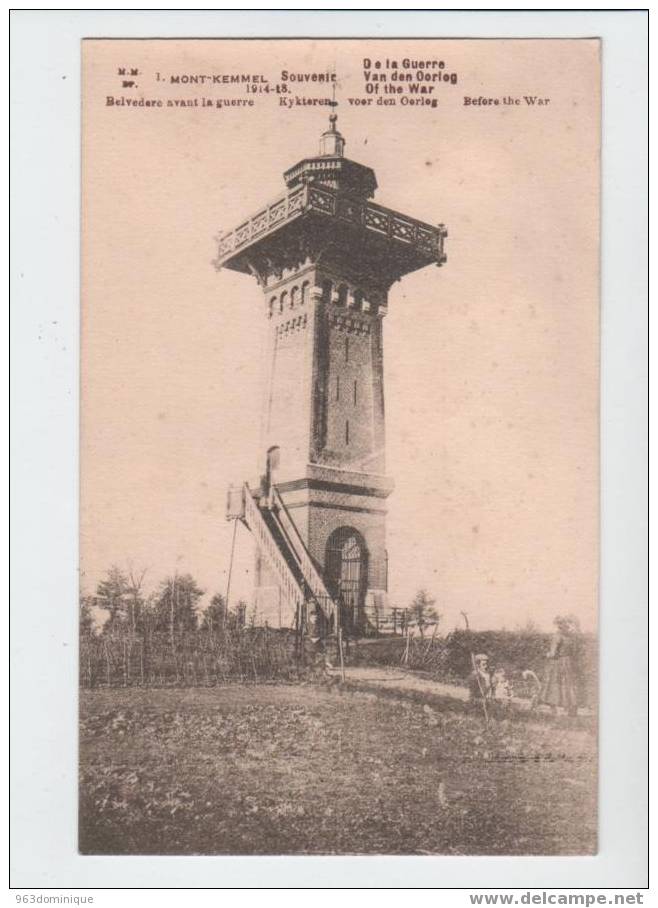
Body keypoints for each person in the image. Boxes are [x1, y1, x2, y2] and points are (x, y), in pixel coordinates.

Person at [540, 615, 579, 716]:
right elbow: (574, 652)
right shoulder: (571, 637)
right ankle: (571, 708)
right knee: (568, 685)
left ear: (558, 626)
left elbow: (553, 654)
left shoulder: (557, 636)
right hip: (569, 663)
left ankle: (554, 710)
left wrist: (545, 655)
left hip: (558, 663)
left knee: (554, 685)